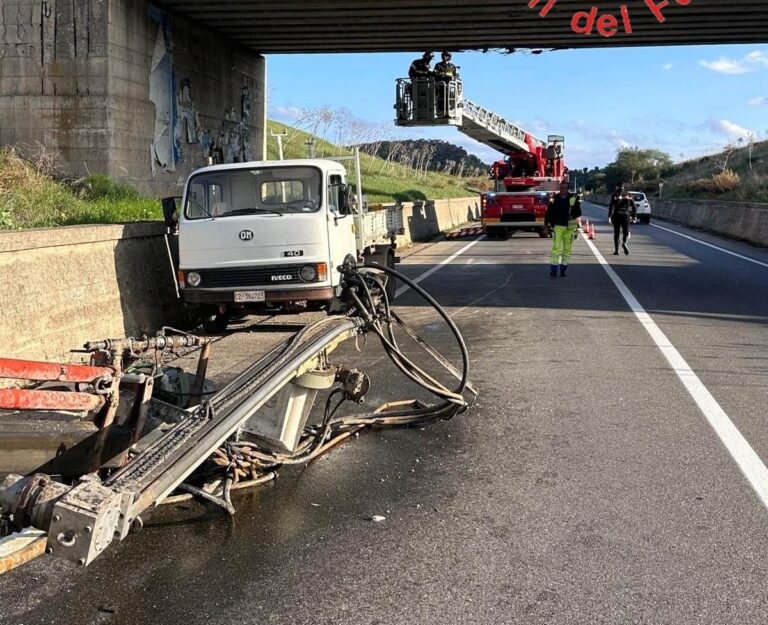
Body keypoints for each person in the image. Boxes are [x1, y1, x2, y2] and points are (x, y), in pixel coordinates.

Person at [545, 180, 582, 277]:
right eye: (561, 187)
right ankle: (553, 269)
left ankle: (563, 269)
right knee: (556, 248)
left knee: (567, 249)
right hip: (558, 226)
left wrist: (576, 203)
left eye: (564, 188)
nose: (562, 189)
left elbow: (578, 213)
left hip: (569, 228)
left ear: (567, 188)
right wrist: (546, 225)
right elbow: (549, 211)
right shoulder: (555, 198)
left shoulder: (572, 198)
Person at [608, 184, 637, 255]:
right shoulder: (629, 195)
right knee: (626, 231)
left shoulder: (614, 195)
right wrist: (634, 216)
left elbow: (611, 206)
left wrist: (609, 216)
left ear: (617, 187)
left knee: (616, 233)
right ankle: (624, 243)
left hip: (617, 215)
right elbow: (634, 207)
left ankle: (617, 250)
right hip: (626, 215)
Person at [433, 51, 459, 116]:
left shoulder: (452, 66)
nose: (444, 57)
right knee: (441, 97)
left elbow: (456, 76)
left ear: (449, 57)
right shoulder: (438, 65)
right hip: (440, 86)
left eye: (446, 55)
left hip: (449, 86)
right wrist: (443, 75)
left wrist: (450, 76)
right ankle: (441, 110)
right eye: (444, 55)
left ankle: (449, 110)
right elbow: (435, 74)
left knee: (452, 96)